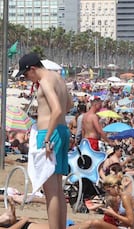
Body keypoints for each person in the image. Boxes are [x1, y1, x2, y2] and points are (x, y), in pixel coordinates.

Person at [17, 52, 72, 229]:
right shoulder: (58, 78)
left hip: (50, 134)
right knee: (57, 188)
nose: (26, 79)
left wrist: (47, 137)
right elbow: (68, 105)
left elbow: (56, 110)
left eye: (25, 75)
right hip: (62, 130)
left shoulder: (46, 81)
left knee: (51, 191)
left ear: (32, 69)